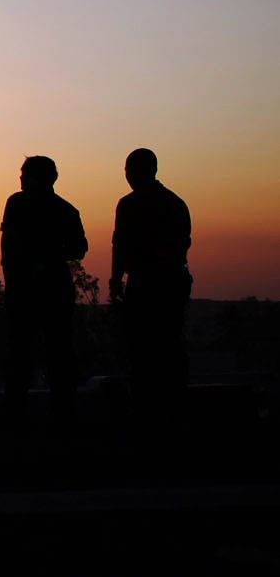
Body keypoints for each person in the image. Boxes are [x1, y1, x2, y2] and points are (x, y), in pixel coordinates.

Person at [1, 154, 88, 431]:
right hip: (54, 288)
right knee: (58, 352)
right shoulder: (66, 210)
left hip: (27, 291)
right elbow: (79, 248)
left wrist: (20, 273)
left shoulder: (17, 203)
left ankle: (17, 418)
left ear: (35, 178)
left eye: (24, 173)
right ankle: (64, 415)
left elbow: (9, 247)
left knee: (22, 354)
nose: (20, 178)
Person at [111, 147, 192, 423]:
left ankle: (148, 406)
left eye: (128, 170)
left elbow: (120, 245)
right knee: (169, 343)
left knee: (143, 346)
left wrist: (116, 280)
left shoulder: (130, 204)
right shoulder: (175, 203)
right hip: (171, 282)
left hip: (147, 284)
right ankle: (172, 403)